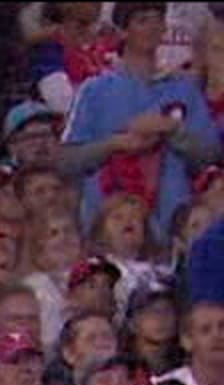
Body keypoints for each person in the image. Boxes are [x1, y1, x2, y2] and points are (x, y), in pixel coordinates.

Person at [62, 1, 221, 241]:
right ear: (123, 31)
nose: (152, 27)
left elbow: (209, 156)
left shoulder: (185, 88)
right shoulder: (94, 90)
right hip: (107, 230)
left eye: (158, 20)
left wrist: (172, 130)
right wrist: (115, 144)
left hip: (172, 227)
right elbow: (67, 161)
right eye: (142, 20)